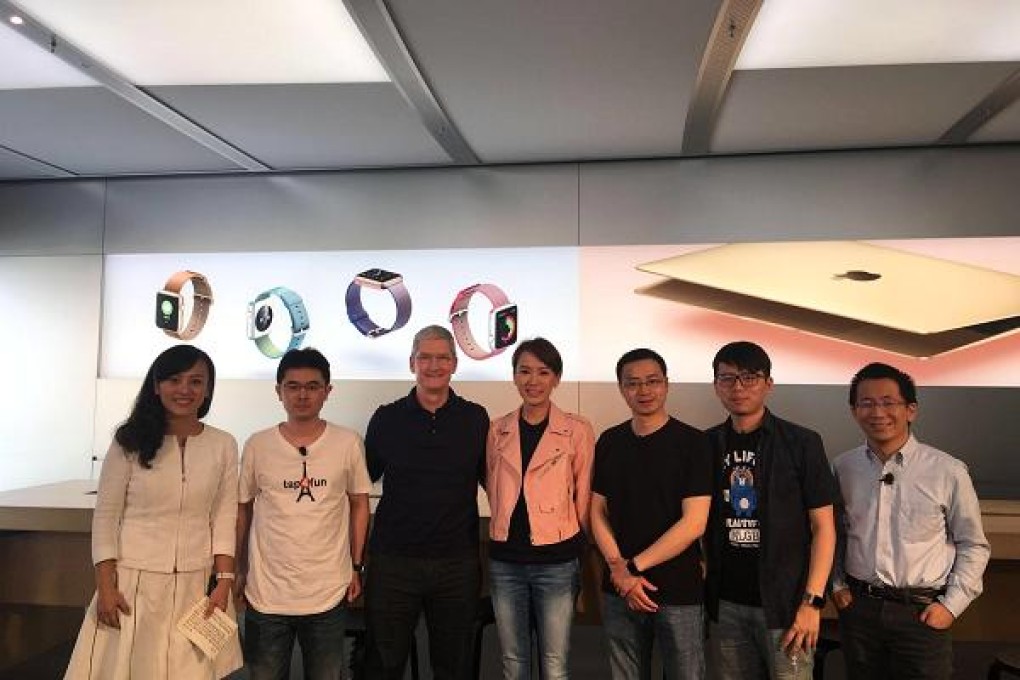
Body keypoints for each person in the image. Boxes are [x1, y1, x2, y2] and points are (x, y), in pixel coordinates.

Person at [65, 344, 242, 679]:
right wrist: (105, 585)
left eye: (196, 381)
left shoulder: (223, 444)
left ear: (208, 390)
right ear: (156, 385)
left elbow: (222, 516)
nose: (185, 390)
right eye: (174, 380)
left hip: (197, 583)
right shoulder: (129, 441)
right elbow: (106, 517)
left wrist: (225, 580)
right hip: (133, 584)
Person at [832, 362, 991, 680]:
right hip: (859, 611)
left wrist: (950, 606)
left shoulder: (947, 471)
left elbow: (973, 544)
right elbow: (831, 534)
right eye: (867, 403)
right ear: (854, 411)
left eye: (888, 402)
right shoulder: (842, 468)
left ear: (911, 410)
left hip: (922, 613)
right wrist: (836, 586)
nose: (878, 412)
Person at [703, 341, 838, 679]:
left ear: (768, 384)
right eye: (728, 378)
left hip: (786, 607)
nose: (738, 387)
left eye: (749, 378)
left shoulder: (802, 442)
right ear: (716, 386)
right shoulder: (706, 444)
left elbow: (823, 528)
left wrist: (812, 603)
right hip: (726, 604)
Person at [235, 348, 371, 680]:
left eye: (312, 386)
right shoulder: (257, 444)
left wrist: (356, 566)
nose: (302, 394)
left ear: (327, 391)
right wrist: (237, 568)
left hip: (327, 592)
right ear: (278, 390)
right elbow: (242, 509)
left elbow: (359, 504)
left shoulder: (347, 442)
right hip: (266, 595)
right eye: (292, 386)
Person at [363, 325, 489, 679]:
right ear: (411, 362)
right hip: (393, 562)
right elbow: (360, 483)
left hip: (457, 564)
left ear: (455, 363)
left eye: (442, 358)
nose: (434, 366)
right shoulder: (386, 418)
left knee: (454, 667)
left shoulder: (475, 419)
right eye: (425, 357)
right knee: (382, 665)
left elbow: (496, 485)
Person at [590, 348, 713, 679]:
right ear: (620, 388)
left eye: (652, 381)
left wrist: (632, 568)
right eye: (632, 383)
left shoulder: (694, 443)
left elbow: (694, 523)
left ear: (667, 385)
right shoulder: (610, 441)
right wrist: (618, 568)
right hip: (619, 588)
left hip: (678, 589)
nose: (643, 391)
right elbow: (597, 510)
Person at [486, 338, 595, 679]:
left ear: (556, 378)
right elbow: (492, 487)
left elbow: (584, 496)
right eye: (524, 371)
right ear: (514, 376)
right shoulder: (496, 429)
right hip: (505, 560)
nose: (533, 381)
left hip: (558, 562)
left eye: (543, 372)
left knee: (554, 663)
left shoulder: (577, 429)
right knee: (513, 661)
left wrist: (579, 551)